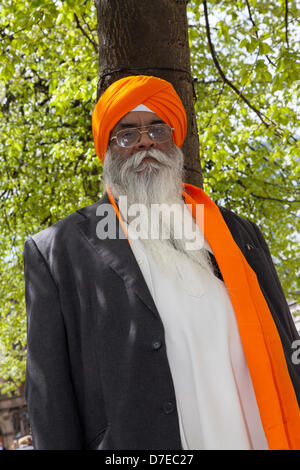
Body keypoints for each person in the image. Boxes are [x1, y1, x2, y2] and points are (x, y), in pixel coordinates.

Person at [24, 75, 300, 450]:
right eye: (127, 134)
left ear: (175, 138)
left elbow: (287, 339)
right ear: (106, 149)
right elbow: (51, 399)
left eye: (158, 128)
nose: (145, 142)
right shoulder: (59, 251)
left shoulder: (238, 235)